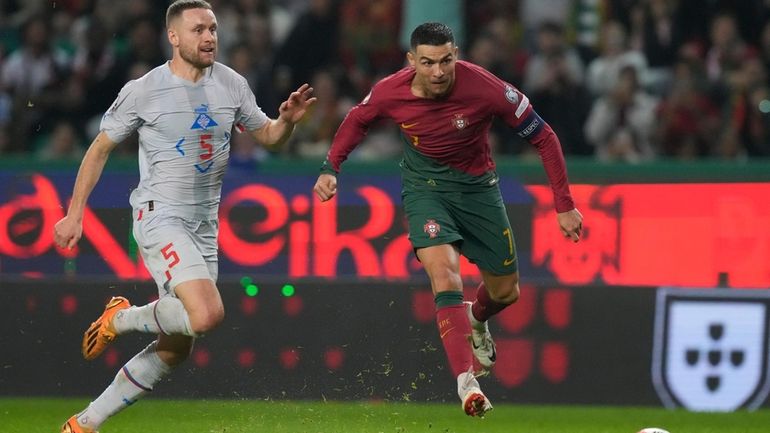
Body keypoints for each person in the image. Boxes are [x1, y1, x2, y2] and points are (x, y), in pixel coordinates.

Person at [55, 2, 315, 432]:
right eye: (198, 29)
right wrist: (74, 213)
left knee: (176, 349)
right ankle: (120, 318)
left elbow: (267, 136)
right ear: (173, 37)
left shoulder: (232, 84)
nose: (209, 36)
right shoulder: (144, 89)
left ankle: (84, 423)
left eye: (212, 28)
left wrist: (285, 122)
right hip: (160, 217)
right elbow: (99, 148)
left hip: (204, 227)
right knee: (207, 315)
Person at [313, 22, 582, 417]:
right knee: (446, 276)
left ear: (455, 54)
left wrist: (564, 204)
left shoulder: (486, 89)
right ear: (412, 61)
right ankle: (466, 383)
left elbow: (544, 136)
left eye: (445, 61)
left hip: (478, 192)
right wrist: (330, 167)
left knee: (506, 292)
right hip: (425, 189)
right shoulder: (391, 91)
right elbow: (357, 120)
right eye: (427, 62)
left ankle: (476, 318)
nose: (438, 72)